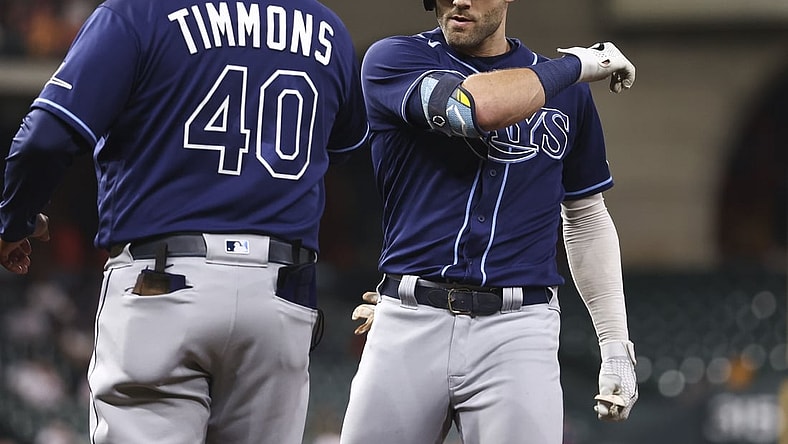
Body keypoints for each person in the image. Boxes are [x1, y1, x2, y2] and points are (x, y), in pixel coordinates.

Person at [0, 1, 368, 443]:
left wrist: (14, 221)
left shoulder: (139, 11)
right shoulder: (325, 27)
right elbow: (343, 147)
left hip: (164, 281)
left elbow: (44, 138)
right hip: (279, 293)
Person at [342, 0, 637, 443]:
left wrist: (615, 344)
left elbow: (585, 215)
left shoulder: (567, 91)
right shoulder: (395, 58)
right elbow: (471, 109)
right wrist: (575, 65)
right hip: (411, 316)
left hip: (518, 330)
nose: (459, 0)